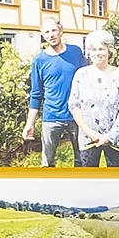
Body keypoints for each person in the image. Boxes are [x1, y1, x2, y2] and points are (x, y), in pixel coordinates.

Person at [21, 17, 87, 167]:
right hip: (51, 118)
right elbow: (36, 94)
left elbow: (87, 81)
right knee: (47, 164)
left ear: (61, 31)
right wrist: (29, 124)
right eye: (47, 32)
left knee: (82, 160)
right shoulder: (39, 61)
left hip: (76, 116)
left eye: (53, 30)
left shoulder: (75, 52)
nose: (51, 35)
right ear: (43, 36)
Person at [67, 31, 119, 168]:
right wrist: (89, 132)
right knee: (90, 182)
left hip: (115, 139)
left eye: (101, 49)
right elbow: (74, 104)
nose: (97, 53)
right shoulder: (81, 74)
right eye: (93, 49)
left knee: (115, 182)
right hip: (88, 138)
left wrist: (109, 137)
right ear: (89, 52)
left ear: (109, 50)